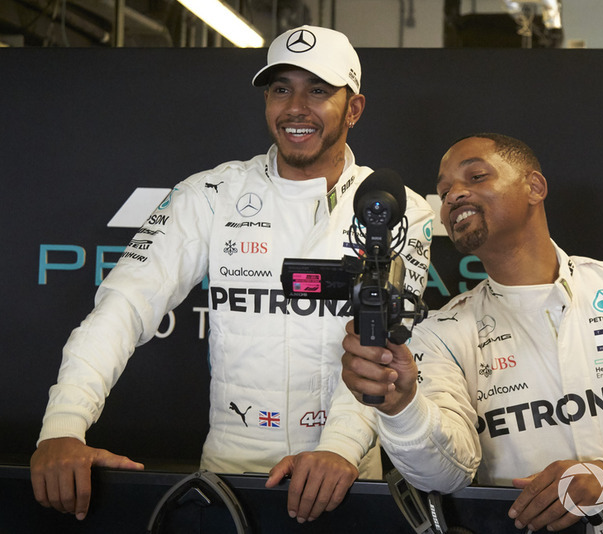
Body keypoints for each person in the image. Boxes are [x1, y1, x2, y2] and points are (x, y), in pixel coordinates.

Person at [30, 25, 434, 524]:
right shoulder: (210, 193)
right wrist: (63, 426)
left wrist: (340, 448)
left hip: (345, 481)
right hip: (228, 475)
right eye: (280, 89)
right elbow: (123, 306)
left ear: (354, 108)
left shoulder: (399, 211)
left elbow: (382, 350)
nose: (295, 107)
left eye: (319, 90)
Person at [336, 133, 603, 532]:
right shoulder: (441, 332)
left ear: (534, 186)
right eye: (443, 193)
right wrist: (403, 407)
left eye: (475, 177)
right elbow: (446, 475)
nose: (453, 197)